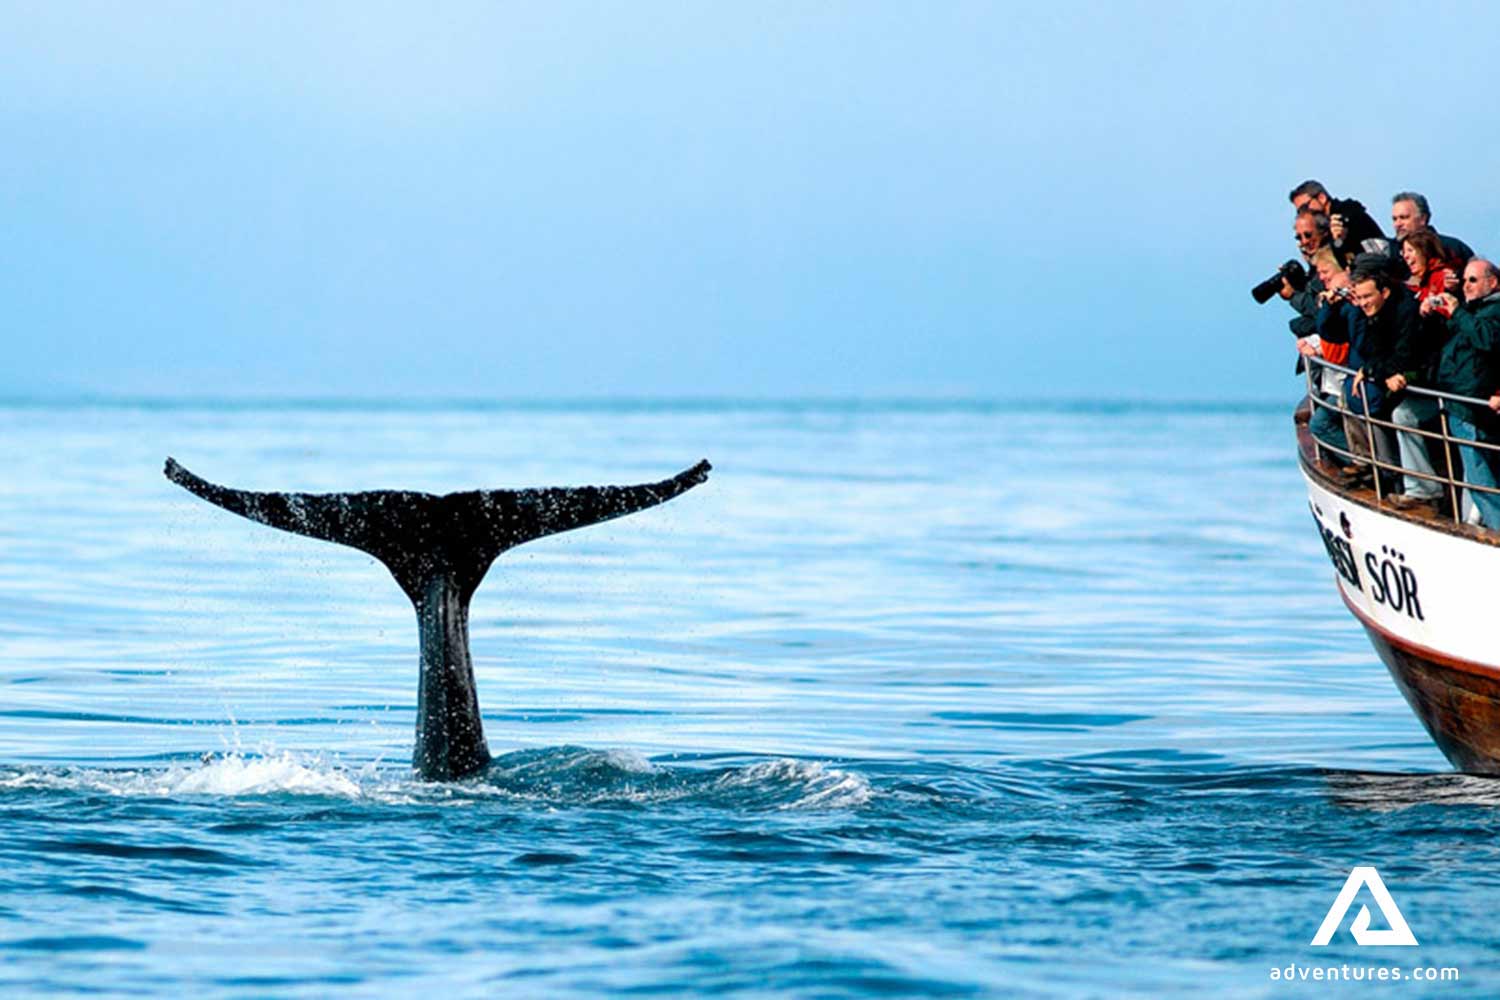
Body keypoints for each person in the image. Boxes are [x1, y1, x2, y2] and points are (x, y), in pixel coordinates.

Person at [1434, 259, 1500, 526]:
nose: (1466, 286)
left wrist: (1458, 312)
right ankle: (1475, 523)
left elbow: (1485, 339)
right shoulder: (1476, 309)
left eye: (1472, 280)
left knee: (1478, 476)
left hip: (1471, 404)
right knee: (1475, 474)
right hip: (1460, 401)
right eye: (1464, 281)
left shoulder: (1494, 311)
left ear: (1492, 282)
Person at [1342, 264, 1421, 488]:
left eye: (1367, 296)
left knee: (1388, 408)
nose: (1363, 302)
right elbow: (1370, 349)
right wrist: (1372, 371)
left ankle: (1400, 478)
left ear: (1384, 292)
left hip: (1418, 378)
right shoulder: (1373, 314)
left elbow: (1406, 355)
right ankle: (1384, 471)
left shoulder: (1405, 311)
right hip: (1391, 377)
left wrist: (1375, 372)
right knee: (1357, 395)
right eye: (1359, 297)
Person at [1301, 249, 1355, 460]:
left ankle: (1367, 466)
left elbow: (1340, 343)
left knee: (1320, 424)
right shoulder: (1334, 302)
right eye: (1319, 273)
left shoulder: (1350, 303)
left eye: (1326, 272)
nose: (1322, 278)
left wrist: (1316, 347)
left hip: (1348, 382)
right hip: (1339, 382)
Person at [1289, 181, 1386, 262]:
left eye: (1305, 207)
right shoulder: (1328, 223)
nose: (1305, 213)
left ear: (1321, 198)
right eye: (1299, 211)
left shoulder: (1346, 214)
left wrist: (1337, 241)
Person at [1390, 191, 1474, 266]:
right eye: (1394, 219)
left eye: (1404, 217)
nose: (1398, 224)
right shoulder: (1388, 251)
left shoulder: (1452, 248)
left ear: (1423, 218)